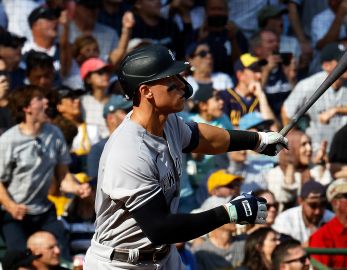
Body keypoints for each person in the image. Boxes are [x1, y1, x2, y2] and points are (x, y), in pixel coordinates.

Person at [84, 44, 288, 268]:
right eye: (170, 79)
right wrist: (229, 212)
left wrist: (257, 140)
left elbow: (201, 137)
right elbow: (161, 228)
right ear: (146, 92)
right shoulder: (129, 151)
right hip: (121, 263)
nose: (182, 85)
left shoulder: (166, 121)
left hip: (163, 257)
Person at [0, 85, 91, 258]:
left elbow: (63, 175)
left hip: (44, 210)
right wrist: (11, 206)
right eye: (39, 99)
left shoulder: (54, 133)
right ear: (27, 108)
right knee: (21, 260)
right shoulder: (8, 141)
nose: (46, 102)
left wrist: (77, 188)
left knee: (60, 253)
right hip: (15, 213)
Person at [282, 42, 347, 151]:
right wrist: (296, 139)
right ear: (326, 66)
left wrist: (337, 110)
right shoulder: (308, 85)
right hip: (316, 148)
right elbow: (287, 112)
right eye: (343, 61)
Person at [267, 129, 331, 209]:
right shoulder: (275, 173)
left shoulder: (313, 169)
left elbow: (323, 192)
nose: (309, 148)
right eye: (304, 144)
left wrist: (321, 163)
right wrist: (290, 165)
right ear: (291, 147)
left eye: (310, 144)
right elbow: (284, 198)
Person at [219, 53, 276, 127]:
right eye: (254, 70)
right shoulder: (224, 97)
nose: (259, 75)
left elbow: (274, 130)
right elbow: (221, 128)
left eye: (260, 70)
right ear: (240, 75)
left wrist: (261, 96)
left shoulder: (262, 97)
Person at [87, 94, 132, 184]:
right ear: (111, 118)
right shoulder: (98, 149)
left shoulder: (140, 142)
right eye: (125, 111)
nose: (131, 114)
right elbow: (96, 185)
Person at [273, 180, 334, 245]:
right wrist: (315, 238)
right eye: (313, 205)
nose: (317, 211)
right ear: (300, 201)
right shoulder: (285, 219)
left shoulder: (332, 219)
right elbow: (284, 250)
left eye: (322, 204)